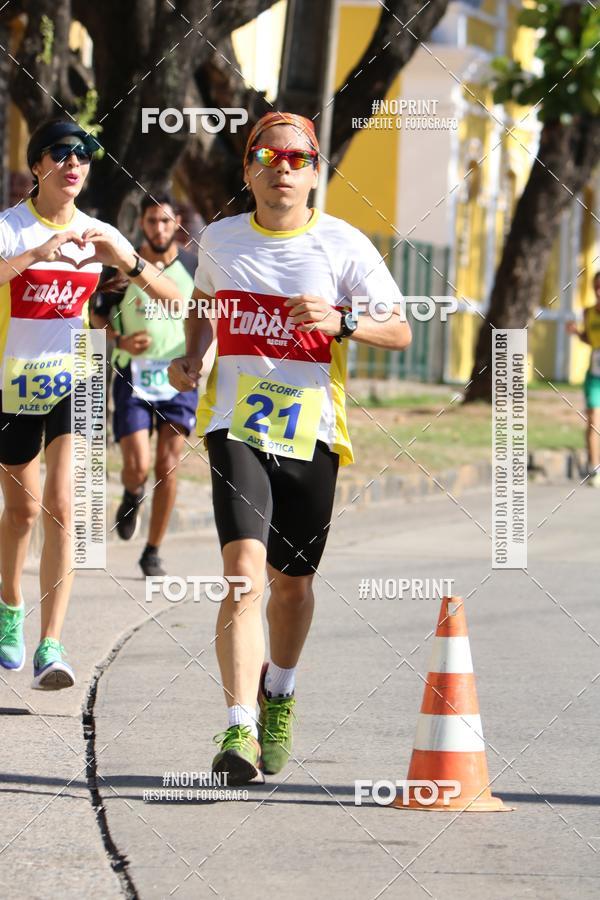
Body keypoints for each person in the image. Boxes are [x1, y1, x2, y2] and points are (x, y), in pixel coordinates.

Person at [169, 111, 411, 785]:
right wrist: (194, 358)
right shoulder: (218, 239)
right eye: (269, 157)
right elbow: (201, 302)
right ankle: (239, 726)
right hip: (235, 425)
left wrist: (345, 321)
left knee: (293, 588)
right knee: (244, 572)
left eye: (298, 158)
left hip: (313, 434)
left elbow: (400, 332)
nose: (283, 168)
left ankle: (281, 689)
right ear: (248, 170)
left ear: (314, 173)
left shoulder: (344, 245)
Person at [0, 118, 182, 688]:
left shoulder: (97, 230)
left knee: (62, 505)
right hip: (11, 383)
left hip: (72, 380)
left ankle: (51, 645)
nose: (74, 163)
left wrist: (123, 260)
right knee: (23, 510)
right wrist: (39, 253)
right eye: (62, 153)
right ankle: (10, 609)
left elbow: (176, 297)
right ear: (38, 166)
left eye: (83, 156)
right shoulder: (10, 228)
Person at [91, 193, 198, 576]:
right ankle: (133, 492)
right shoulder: (123, 267)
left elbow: (205, 318)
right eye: (152, 222)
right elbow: (96, 317)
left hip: (179, 379)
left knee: (168, 465)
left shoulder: (193, 266)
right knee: (136, 465)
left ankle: (152, 551)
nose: (159, 229)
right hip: (133, 375)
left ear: (177, 222)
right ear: (143, 224)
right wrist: (120, 341)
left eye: (166, 222)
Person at [567, 271, 600, 487]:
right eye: (596, 287)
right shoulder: (589, 312)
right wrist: (577, 333)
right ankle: (595, 470)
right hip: (595, 375)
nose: (599, 291)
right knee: (593, 423)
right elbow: (590, 338)